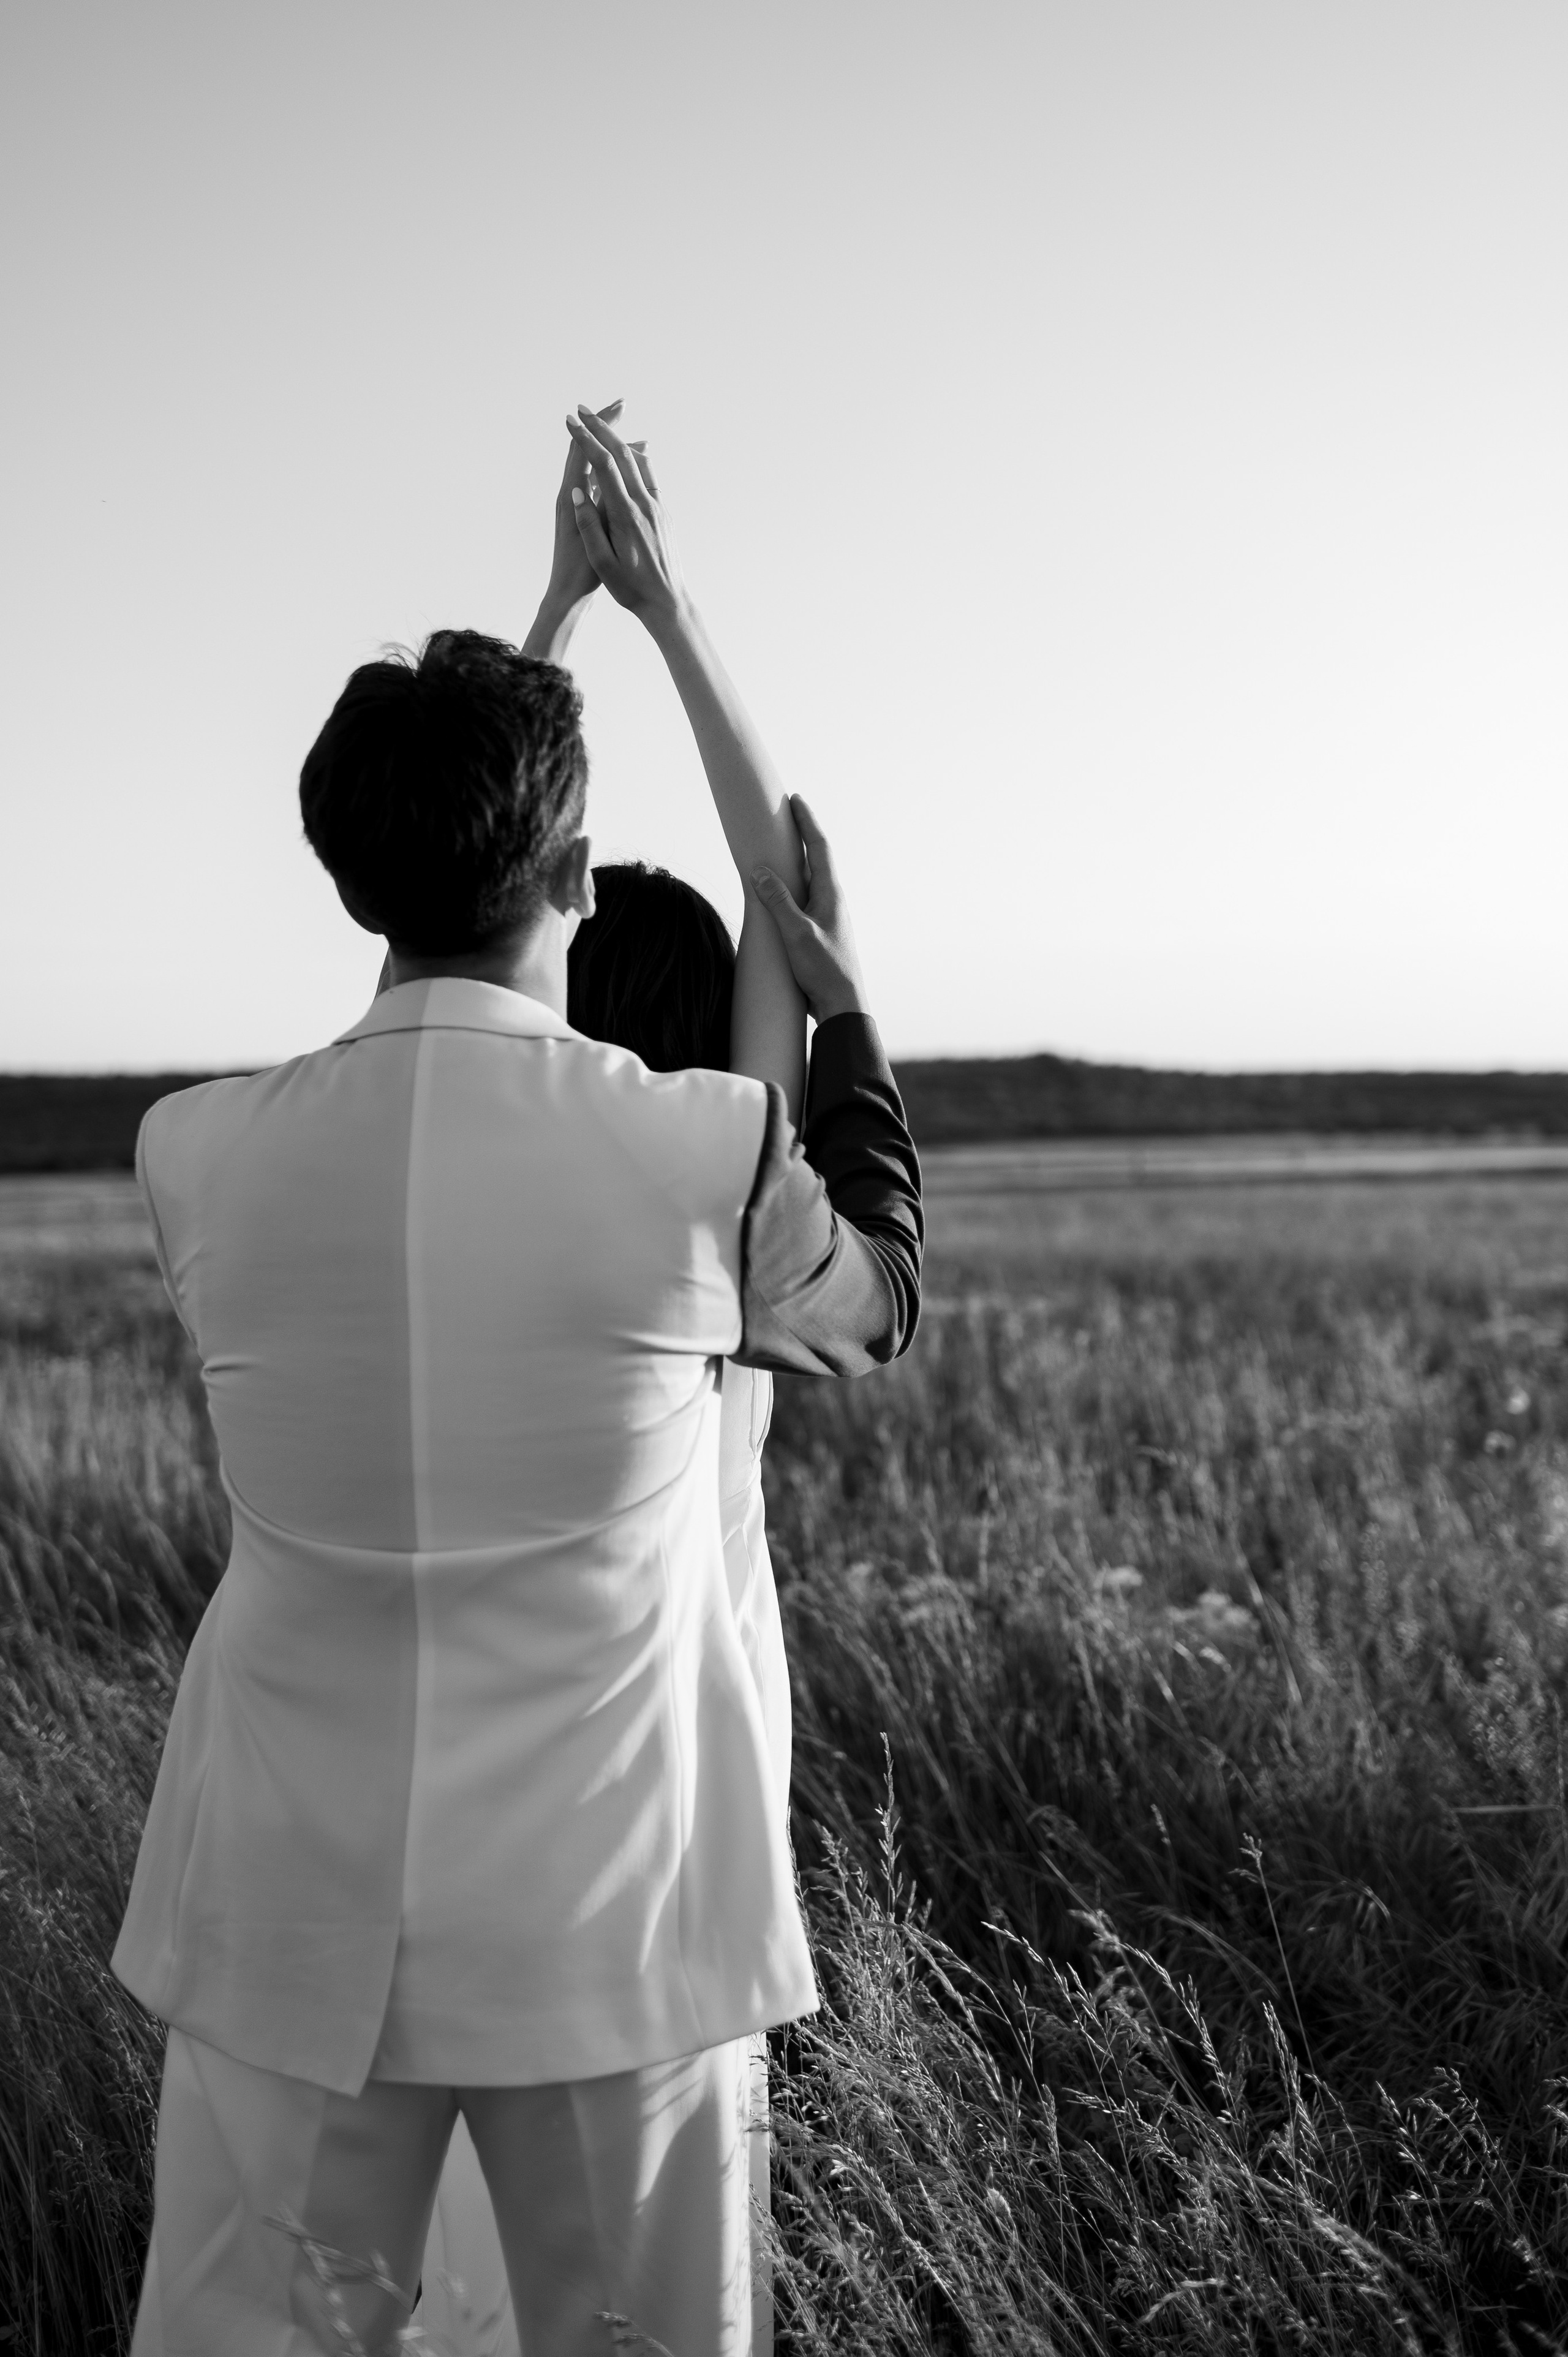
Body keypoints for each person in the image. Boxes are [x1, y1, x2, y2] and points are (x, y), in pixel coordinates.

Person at [116, 404, 922, 2357]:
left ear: (348, 868)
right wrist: (643, 606)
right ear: (572, 851)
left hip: (284, 1941)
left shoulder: (196, 1156)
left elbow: (463, 889)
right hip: (605, 1949)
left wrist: (547, 623)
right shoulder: (693, 1152)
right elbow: (882, 1300)